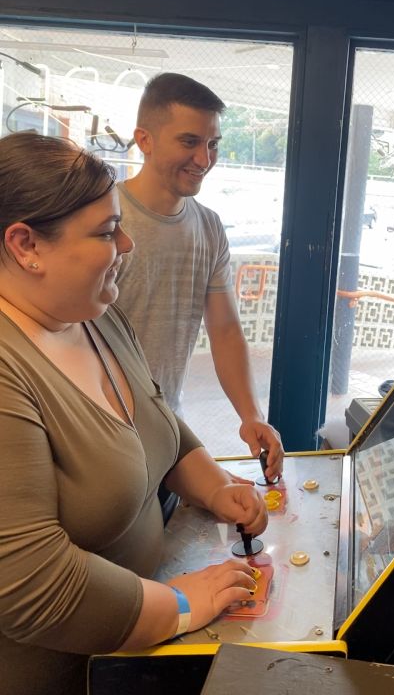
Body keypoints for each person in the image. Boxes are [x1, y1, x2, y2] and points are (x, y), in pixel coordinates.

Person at [0, 132, 268, 695]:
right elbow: (27, 581)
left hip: (133, 643)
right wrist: (177, 606)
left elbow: (153, 420)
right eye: (104, 232)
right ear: (26, 244)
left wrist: (215, 487)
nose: (126, 244)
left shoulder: (95, 314)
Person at [116, 73, 284, 482]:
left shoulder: (209, 227)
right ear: (145, 139)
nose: (204, 159)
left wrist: (250, 415)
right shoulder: (106, 218)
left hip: (167, 429)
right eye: (189, 142)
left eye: (212, 145)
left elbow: (225, 329)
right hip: (102, 433)